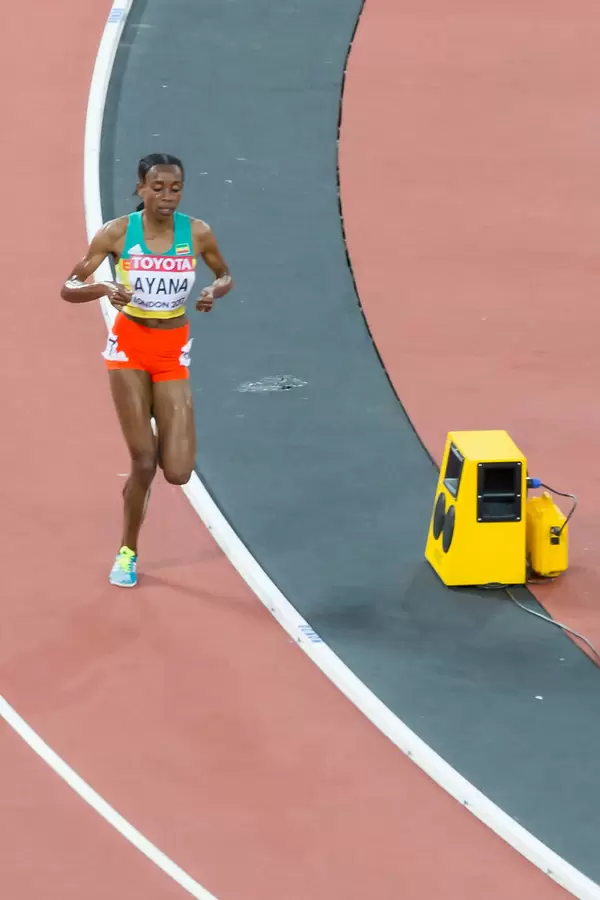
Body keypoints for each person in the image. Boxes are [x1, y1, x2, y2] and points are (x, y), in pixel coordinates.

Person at [61, 153, 233, 587]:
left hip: (172, 350)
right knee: (142, 462)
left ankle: (157, 424)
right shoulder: (118, 233)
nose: (167, 197)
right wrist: (103, 286)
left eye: (175, 188)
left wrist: (214, 289)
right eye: (157, 188)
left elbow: (224, 273)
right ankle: (128, 551)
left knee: (176, 471)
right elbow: (70, 286)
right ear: (141, 189)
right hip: (130, 350)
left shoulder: (197, 232)